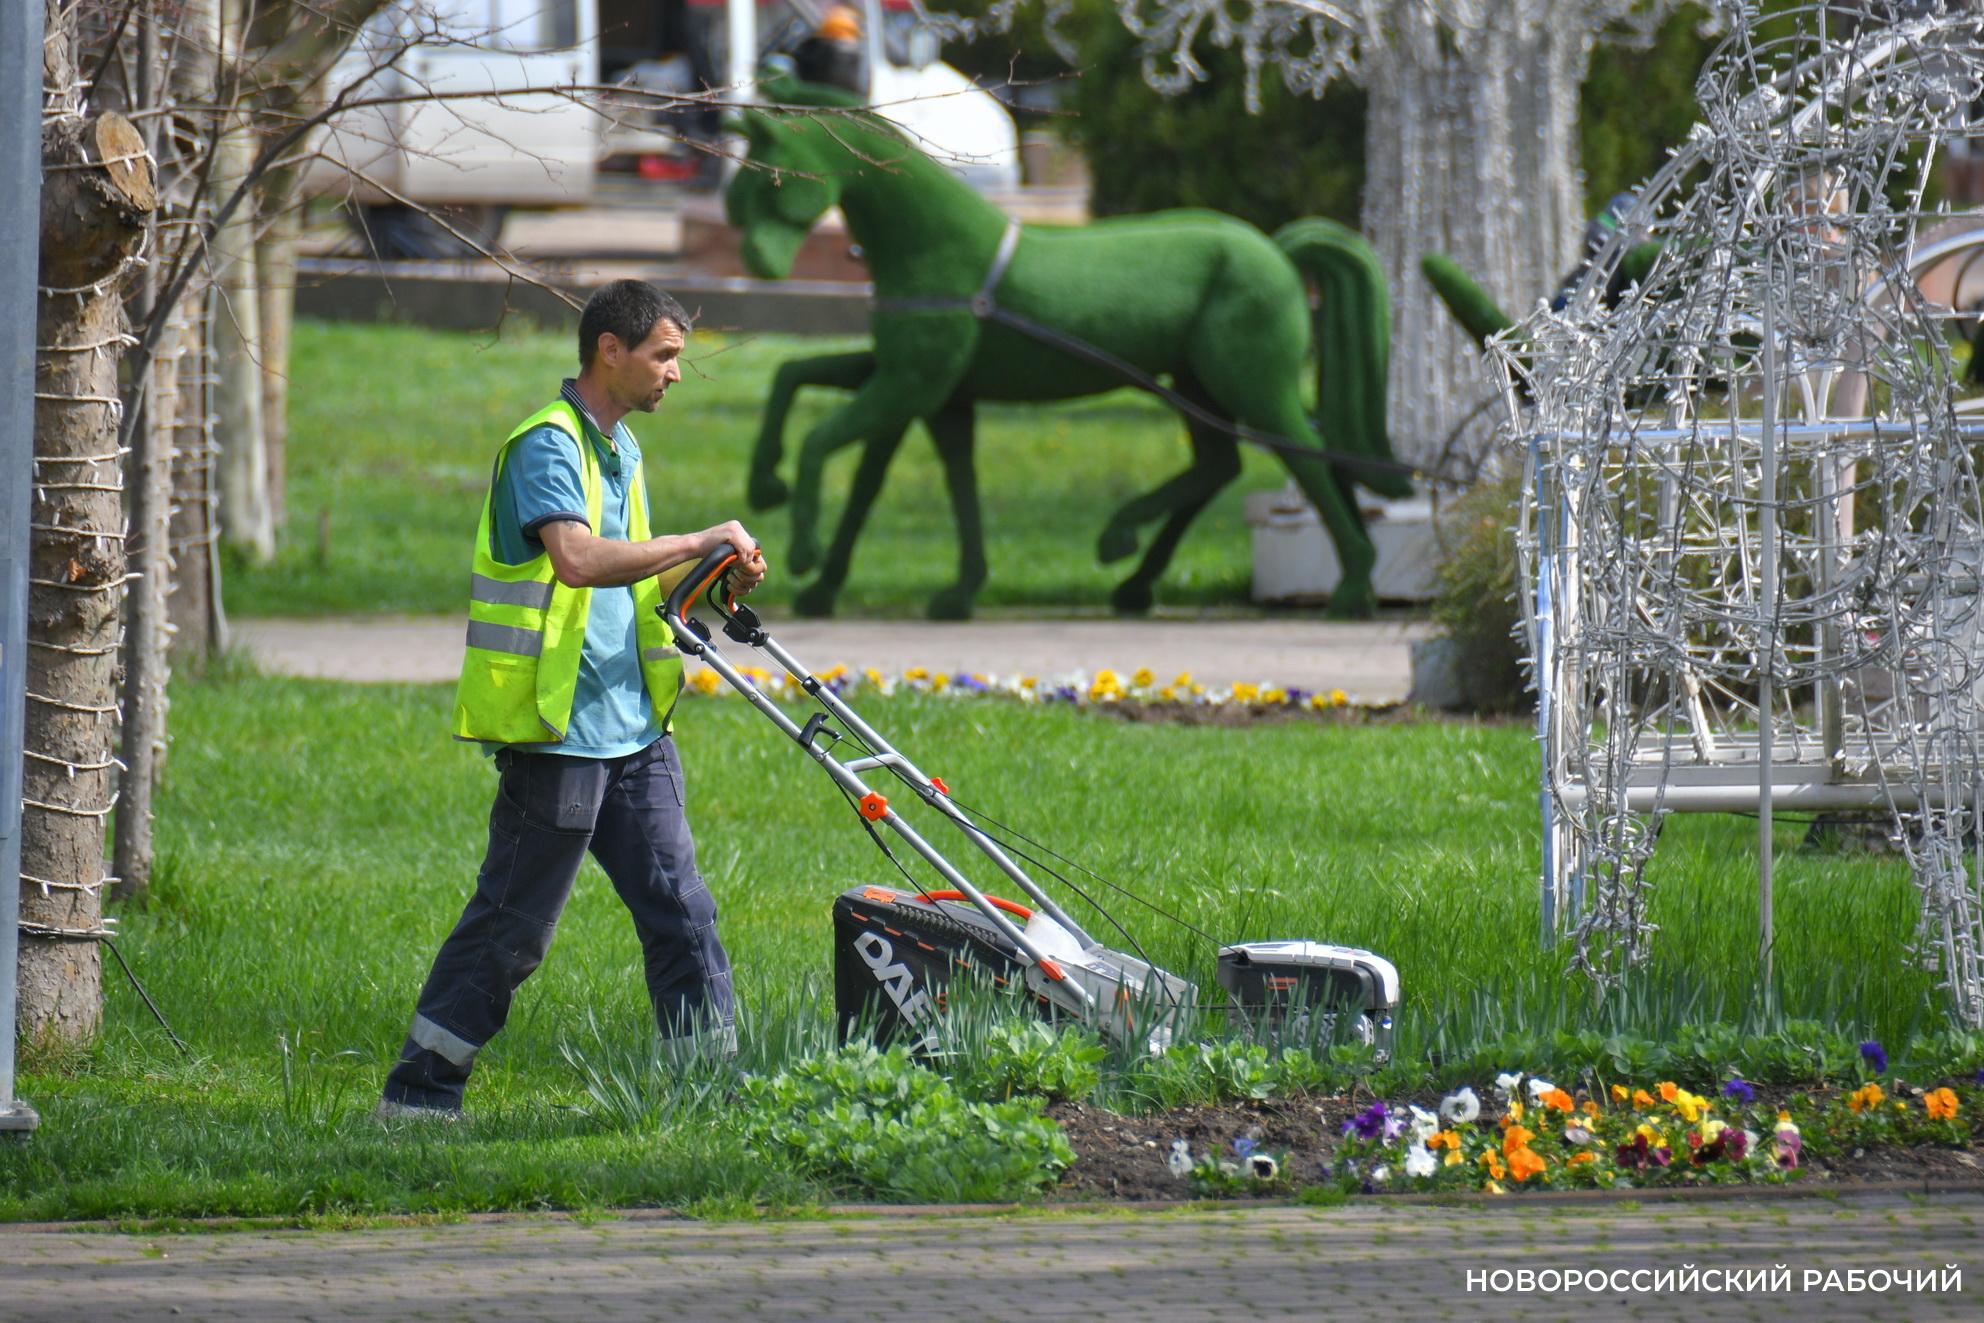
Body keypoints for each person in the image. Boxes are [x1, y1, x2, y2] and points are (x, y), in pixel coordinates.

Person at [376, 279, 768, 1120]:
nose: (674, 373)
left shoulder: (620, 448)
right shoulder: (547, 445)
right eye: (664, 356)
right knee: (512, 932)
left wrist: (708, 573)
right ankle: (416, 1100)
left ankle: (709, 1095)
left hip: (633, 728)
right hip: (560, 736)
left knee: (683, 911)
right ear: (610, 350)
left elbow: (640, 572)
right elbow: (580, 560)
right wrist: (699, 535)